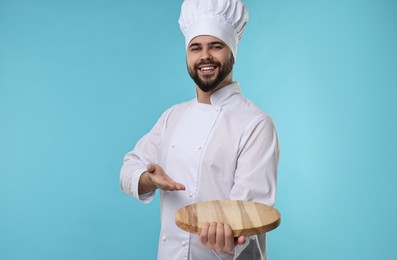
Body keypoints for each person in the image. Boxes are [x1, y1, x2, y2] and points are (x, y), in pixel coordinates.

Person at [120, 0, 279, 259]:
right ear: (187, 55)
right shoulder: (173, 116)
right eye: (196, 48)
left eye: (215, 46)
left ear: (232, 52)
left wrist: (232, 237)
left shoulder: (256, 123)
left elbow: (250, 211)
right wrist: (149, 179)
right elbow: (129, 167)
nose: (205, 56)